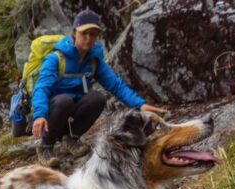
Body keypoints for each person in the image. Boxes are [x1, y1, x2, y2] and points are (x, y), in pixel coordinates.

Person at [30, 9, 167, 167]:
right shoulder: (55, 58)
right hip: (52, 110)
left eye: (93, 34)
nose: (88, 38)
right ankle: (45, 146)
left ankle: (71, 138)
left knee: (97, 98)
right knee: (63, 100)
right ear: (75, 33)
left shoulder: (93, 60)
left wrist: (140, 104)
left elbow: (115, 85)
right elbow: (41, 88)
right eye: (84, 33)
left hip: (73, 107)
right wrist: (39, 115)